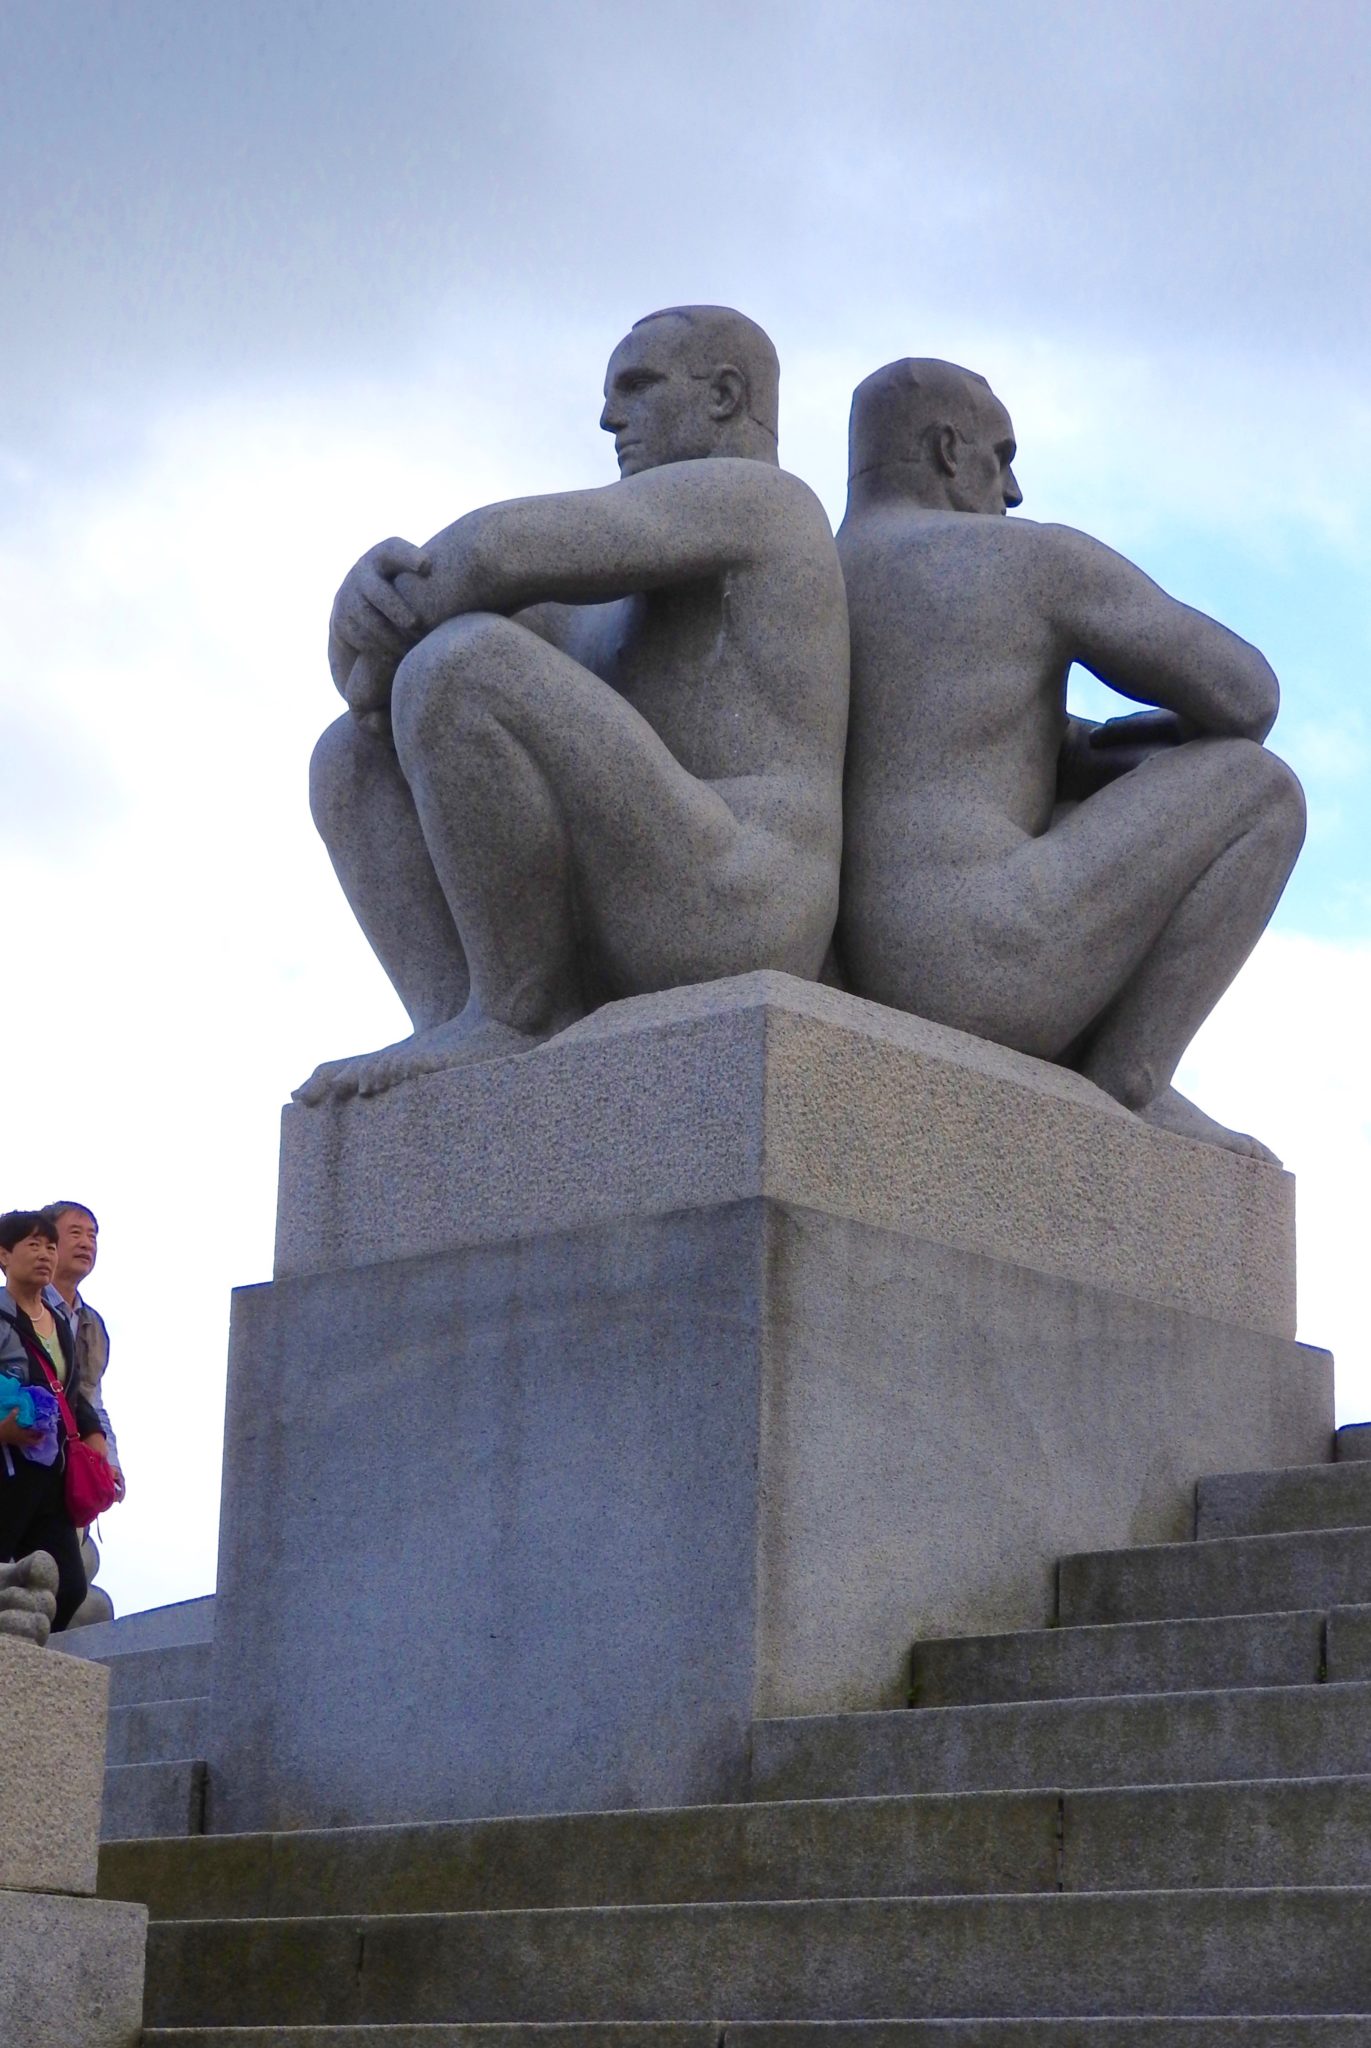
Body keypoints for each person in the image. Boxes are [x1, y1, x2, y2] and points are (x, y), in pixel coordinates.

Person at [297, 304, 850, 1105]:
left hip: (739, 903)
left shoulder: (767, 505)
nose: (606, 417)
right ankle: (456, 1017)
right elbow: (369, 687)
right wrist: (356, 609)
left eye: (636, 385)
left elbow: (490, 555)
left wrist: (384, 603)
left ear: (725, 396)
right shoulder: (590, 607)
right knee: (347, 755)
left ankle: (514, 1011)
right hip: (637, 887)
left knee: (460, 667)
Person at [836, 357, 1306, 1160]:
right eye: (1003, 456)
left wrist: (1101, 748)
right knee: (1259, 788)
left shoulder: (817, 575)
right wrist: (1172, 740)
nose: (1013, 493)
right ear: (950, 450)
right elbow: (1245, 695)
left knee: (1078, 796)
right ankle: (1134, 1079)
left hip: (858, 955)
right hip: (984, 955)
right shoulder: (1025, 558)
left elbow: (968, 745)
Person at [0, 1210, 107, 1630]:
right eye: (33, 1245)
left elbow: (72, 1387)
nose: (45, 1254)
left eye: (49, 1245)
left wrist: (94, 1433)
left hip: (49, 1474)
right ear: (4, 1255)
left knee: (70, 1585)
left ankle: (24, 1657)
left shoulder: (60, 1320)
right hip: (6, 1471)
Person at [45, 1200, 124, 1501]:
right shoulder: (17, 1306)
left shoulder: (92, 1324)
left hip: (72, 1475)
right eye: (75, 1233)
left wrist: (109, 1462)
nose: (86, 1243)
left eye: (92, 1236)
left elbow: (93, 1399)